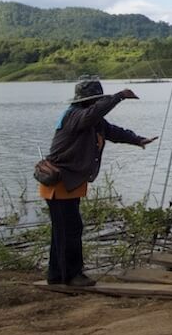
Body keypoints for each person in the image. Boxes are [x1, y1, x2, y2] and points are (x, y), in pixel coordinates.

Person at [42, 80, 156, 287]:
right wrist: (119, 96)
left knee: (65, 230)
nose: (97, 106)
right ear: (88, 102)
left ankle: (57, 275)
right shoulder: (75, 116)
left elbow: (113, 131)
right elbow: (93, 115)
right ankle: (72, 275)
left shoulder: (92, 121)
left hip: (69, 183)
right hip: (59, 184)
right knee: (69, 230)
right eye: (95, 101)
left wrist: (137, 140)